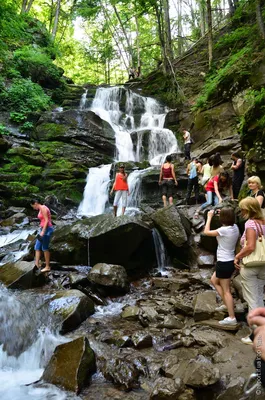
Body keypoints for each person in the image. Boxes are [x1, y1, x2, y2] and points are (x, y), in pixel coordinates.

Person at [234, 197, 265, 344]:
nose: (241, 211)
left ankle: (255, 337)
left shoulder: (250, 224)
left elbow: (250, 246)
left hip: (251, 266)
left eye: (243, 209)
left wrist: (237, 256)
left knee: (252, 301)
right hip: (263, 265)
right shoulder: (263, 222)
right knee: (259, 297)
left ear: (249, 210)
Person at [204, 208, 240, 325]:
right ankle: (226, 304)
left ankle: (231, 317)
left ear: (223, 218)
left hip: (224, 262)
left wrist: (209, 217)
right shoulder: (235, 227)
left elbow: (206, 232)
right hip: (228, 260)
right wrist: (223, 212)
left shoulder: (223, 230)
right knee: (214, 280)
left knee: (227, 291)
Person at [30, 199, 54, 273]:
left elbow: (47, 220)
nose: (33, 208)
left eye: (33, 206)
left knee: (45, 248)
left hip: (46, 230)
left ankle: (47, 267)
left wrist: (43, 232)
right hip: (42, 229)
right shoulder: (40, 209)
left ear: (36, 203)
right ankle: (36, 265)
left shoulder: (43, 208)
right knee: (37, 247)